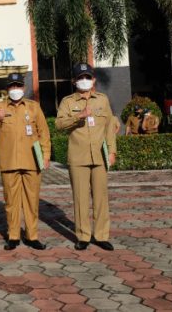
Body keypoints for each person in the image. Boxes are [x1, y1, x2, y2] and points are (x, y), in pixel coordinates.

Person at [0, 73, 50, 250]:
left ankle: (32, 236)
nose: (15, 89)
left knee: (31, 201)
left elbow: (43, 133)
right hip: (9, 162)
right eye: (12, 86)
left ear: (24, 88)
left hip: (31, 161)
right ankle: (13, 236)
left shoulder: (33, 107)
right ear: (7, 89)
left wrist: (45, 155)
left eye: (18, 86)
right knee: (11, 201)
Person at [56, 63, 117, 251]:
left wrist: (112, 150)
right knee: (81, 198)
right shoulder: (68, 102)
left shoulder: (102, 100)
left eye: (88, 77)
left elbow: (109, 127)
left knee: (101, 198)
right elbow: (59, 124)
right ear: (74, 81)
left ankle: (101, 236)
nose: (84, 80)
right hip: (78, 157)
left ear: (94, 80)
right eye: (81, 77)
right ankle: (82, 236)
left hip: (99, 155)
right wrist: (78, 116)